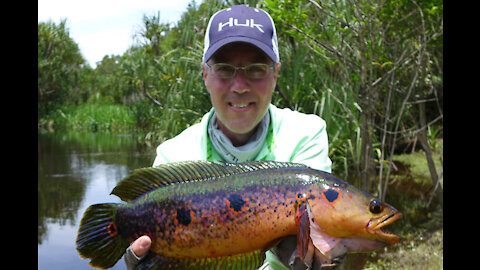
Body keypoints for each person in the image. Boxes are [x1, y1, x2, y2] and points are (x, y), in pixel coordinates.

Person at [124, 5, 333, 270]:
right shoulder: (172, 155)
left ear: (275, 73)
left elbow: (319, 235)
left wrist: (311, 253)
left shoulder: (306, 134)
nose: (240, 85)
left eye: (256, 68)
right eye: (224, 69)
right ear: (205, 75)